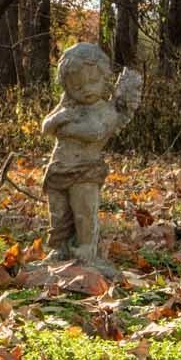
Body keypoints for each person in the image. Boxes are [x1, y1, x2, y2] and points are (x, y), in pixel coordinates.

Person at [41, 43, 142, 267]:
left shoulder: (106, 110)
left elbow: (95, 132)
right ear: (67, 86)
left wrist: (67, 128)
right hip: (58, 168)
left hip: (86, 170)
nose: (85, 90)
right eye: (77, 86)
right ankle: (60, 248)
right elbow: (46, 127)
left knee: (83, 211)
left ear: (105, 78)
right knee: (58, 213)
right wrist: (58, 118)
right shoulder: (67, 106)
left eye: (93, 82)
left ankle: (87, 249)